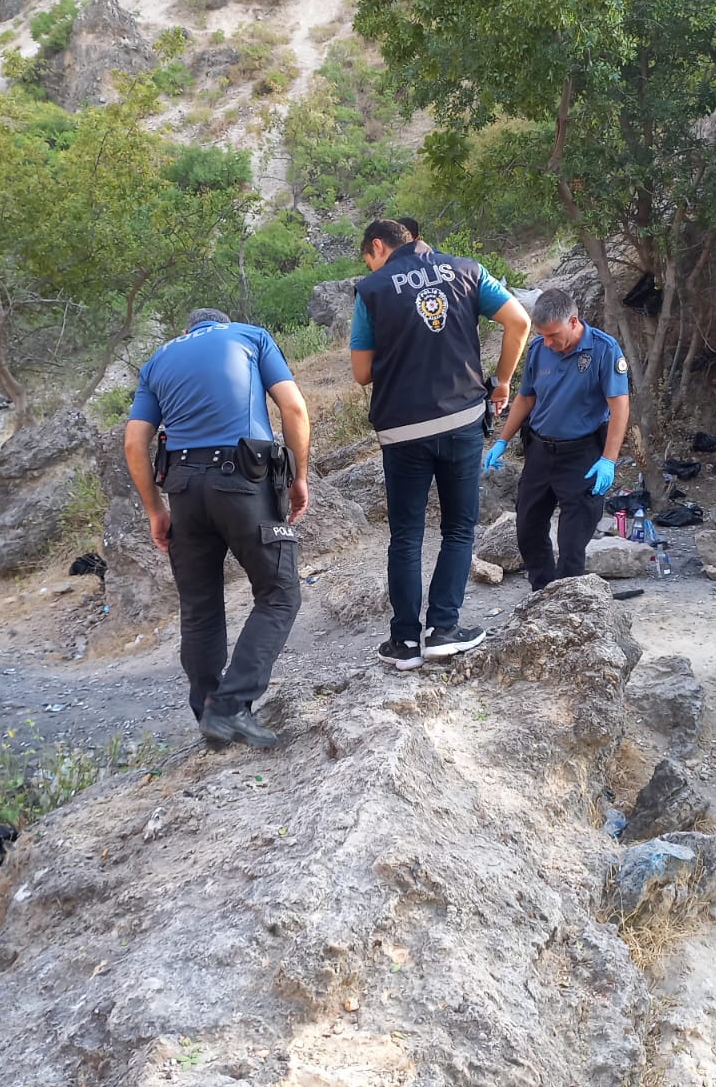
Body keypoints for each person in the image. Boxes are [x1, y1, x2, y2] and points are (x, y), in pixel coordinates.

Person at [124, 309, 310, 749]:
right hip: (243, 479)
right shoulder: (252, 336)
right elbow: (294, 406)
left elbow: (135, 441)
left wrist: (154, 509)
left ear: (187, 329)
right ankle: (229, 709)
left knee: (200, 607)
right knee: (280, 592)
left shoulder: (157, 360)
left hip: (184, 489)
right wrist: (301, 475)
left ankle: (210, 714)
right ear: (220, 323)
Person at [351, 219, 531, 670]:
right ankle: (444, 630)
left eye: (368, 257)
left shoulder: (371, 290)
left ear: (378, 246)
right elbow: (519, 321)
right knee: (459, 528)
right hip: (462, 419)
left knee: (406, 536)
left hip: (402, 430)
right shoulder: (467, 270)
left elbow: (360, 372)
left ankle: (406, 643)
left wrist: (399, 353)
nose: (370, 265)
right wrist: (503, 381)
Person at [483, 288, 631, 589]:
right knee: (528, 529)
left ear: (573, 321)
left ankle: (569, 606)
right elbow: (526, 398)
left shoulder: (604, 349)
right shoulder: (539, 349)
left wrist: (609, 460)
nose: (548, 342)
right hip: (540, 451)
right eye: (543, 335)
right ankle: (542, 595)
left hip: (582, 456)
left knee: (572, 541)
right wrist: (502, 440)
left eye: (553, 335)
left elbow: (619, 407)